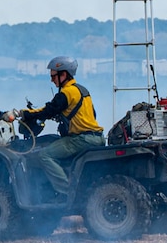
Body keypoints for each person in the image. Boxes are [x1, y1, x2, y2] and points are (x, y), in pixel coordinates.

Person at [12, 56, 103, 194]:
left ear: (63, 74)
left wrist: (21, 113)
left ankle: (66, 192)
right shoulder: (82, 90)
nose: (52, 80)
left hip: (81, 139)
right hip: (97, 137)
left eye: (54, 76)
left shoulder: (66, 93)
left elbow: (47, 111)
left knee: (44, 155)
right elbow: (92, 114)